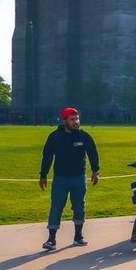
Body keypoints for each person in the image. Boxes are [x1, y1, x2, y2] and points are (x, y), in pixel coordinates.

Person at [38, 107, 100, 250]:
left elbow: (93, 153)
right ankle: (51, 239)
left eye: (77, 119)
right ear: (64, 120)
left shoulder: (84, 136)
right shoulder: (54, 137)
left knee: (79, 206)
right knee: (57, 207)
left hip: (79, 178)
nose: (76, 122)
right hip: (60, 179)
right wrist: (43, 175)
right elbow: (47, 157)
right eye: (72, 119)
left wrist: (96, 171)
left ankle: (78, 236)